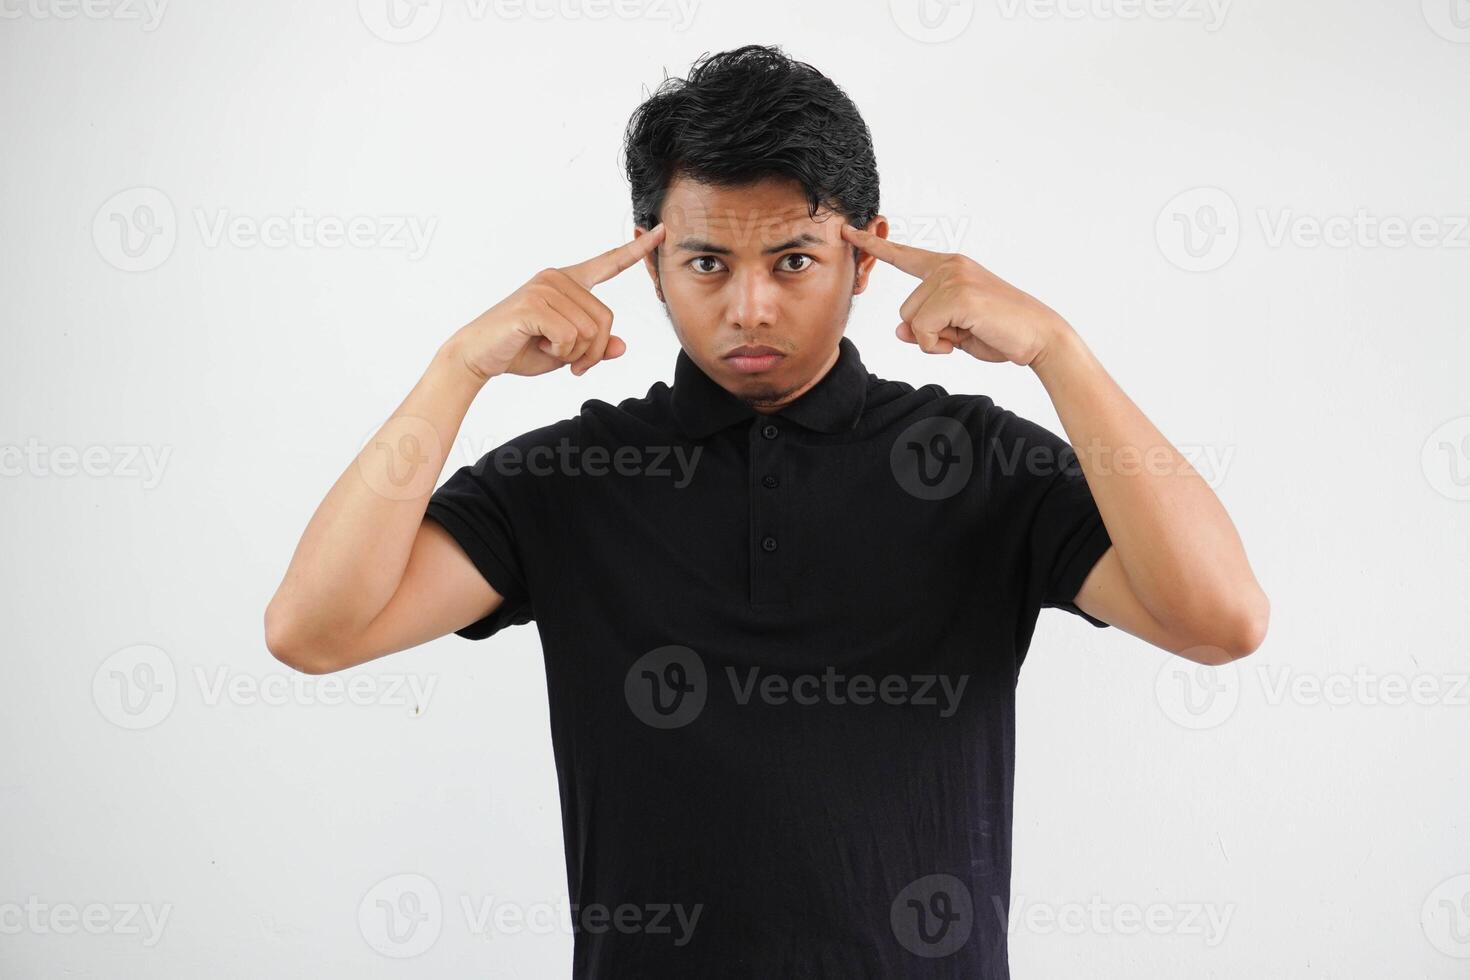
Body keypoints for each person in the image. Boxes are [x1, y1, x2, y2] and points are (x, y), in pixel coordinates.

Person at [265, 44, 1268, 979]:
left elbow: (1220, 619)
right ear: (650, 262)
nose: (749, 306)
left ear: (865, 259)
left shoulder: (974, 461)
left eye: (793, 259)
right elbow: (315, 630)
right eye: (708, 262)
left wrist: (1060, 351)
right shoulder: (571, 478)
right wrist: (457, 368)